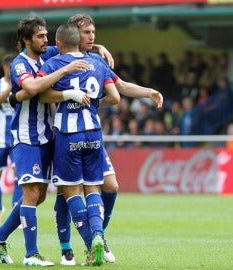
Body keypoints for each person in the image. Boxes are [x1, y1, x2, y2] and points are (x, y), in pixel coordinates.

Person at [50, 13, 164, 264]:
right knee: (68, 192)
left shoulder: (94, 59)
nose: (92, 37)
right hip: (67, 132)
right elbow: (51, 46)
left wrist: (148, 92)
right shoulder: (54, 54)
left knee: (109, 186)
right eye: (87, 32)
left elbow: (120, 87)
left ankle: (98, 238)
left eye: (94, 33)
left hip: (84, 132)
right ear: (73, 34)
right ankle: (71, 247)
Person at [0, 16, 89, 267]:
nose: (47, 40)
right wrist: (64, 70)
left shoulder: (47, 54)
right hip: (25, 137)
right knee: (31, 192)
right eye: (40, 36)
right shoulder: (19, 64)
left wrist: (98, 47)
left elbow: (73, 45)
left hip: (47, 136)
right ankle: (31, 254)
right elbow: (31, 88)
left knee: (39, 195)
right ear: (26, 40)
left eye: (46, 35)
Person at [38, 22, 120, 266]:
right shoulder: (97, 63)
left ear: (59, 43)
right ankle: (98, 236)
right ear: (80, 39)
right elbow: (114, 96)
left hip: (67, 135)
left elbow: (41, 94)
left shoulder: (54, 64)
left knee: (71, 192)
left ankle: (88, 245)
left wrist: (66, 95)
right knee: (93, 188)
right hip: (94, 134)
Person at [0, 53, 23, 228]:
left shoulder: (23, 84)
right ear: (5, 68)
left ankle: (17, 212)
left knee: (18, 174)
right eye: (10, 69)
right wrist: (10, 87)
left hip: (17, 137)